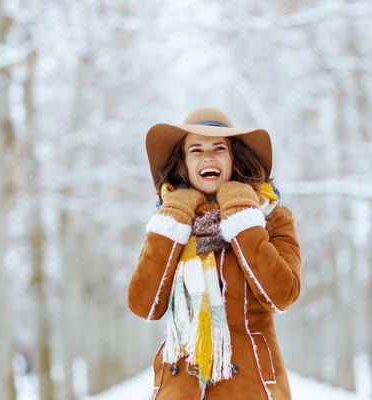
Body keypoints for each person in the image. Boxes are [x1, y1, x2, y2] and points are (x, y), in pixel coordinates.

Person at [128, 107, 302, 400]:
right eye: (195, 150)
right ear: (183, 163)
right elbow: (144, 304)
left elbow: (282, 295)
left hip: (251, 386)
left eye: (218, 148)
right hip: (180, 389)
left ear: (233, 157)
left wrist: (241, 214)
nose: (208, 157)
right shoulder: (169, 222)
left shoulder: (272, 218)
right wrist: (175, 218)